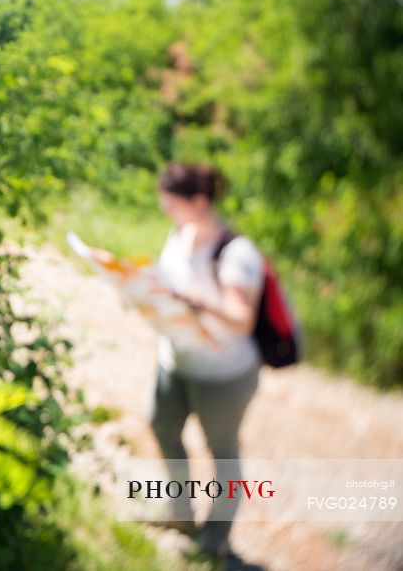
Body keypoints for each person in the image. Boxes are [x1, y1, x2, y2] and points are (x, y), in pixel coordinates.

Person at [149, 162, 263, 561]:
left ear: (199, 202)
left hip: (223, 374)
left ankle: (217, 536)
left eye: (172, 204)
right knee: (162, 426)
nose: (166, 211)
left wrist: (198, 302)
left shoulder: (236, 253)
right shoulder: (178, 234)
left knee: (223, 452)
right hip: (176, 363)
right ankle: (180, 511)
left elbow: (242, 316)